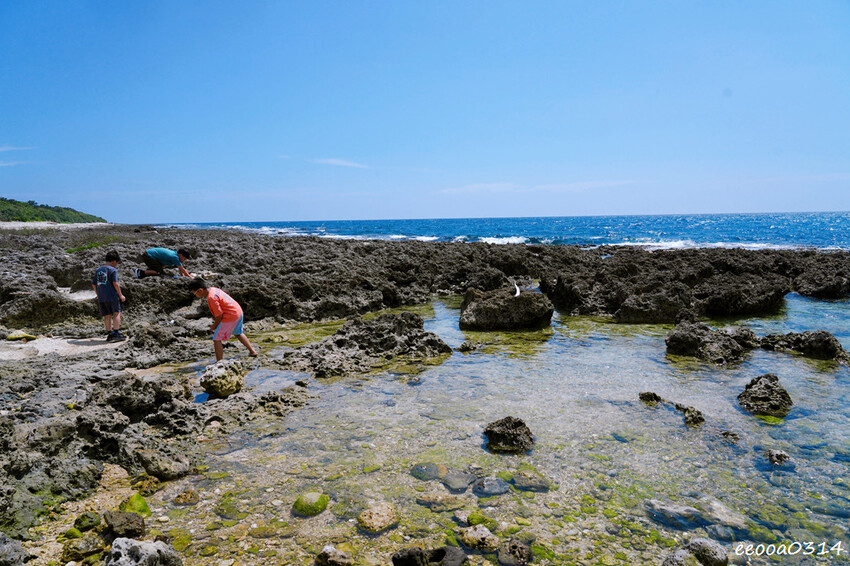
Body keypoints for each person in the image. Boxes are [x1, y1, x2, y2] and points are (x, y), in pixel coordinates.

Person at [188, 278, 258, 361]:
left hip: (230, 316)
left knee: (216, 339)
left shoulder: (211, 298)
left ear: (200, 290)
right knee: (238, 333)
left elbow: (219, 314)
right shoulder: (214, 289)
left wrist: (214, 325)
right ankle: (252, 351)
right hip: (238, 311)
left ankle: (219, 362)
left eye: (194, 293)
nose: (195, 295)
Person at [92, 250, 127, 341]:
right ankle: (116, 333)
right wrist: (121, 295)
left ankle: (109, 334)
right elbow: (115, 283)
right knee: (116, 313)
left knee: (107, 315)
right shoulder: (113, 270)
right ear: (114, 261)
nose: (116, 265)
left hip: (102, 297)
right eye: (117, 263)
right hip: (112, 295)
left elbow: (93, 284)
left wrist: (98, 294)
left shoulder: (98, 270)